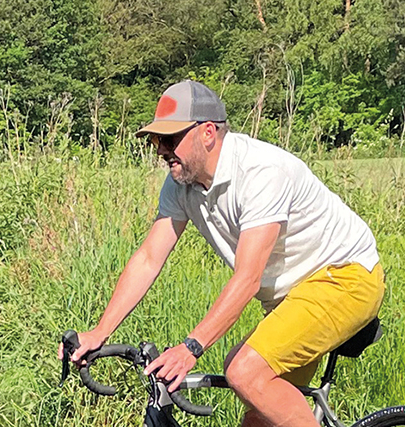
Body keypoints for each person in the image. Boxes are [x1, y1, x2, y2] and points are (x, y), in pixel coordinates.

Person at [64, 80, 386, 427]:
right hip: (290, 298)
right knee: (260, 419)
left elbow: (247, 277)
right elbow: (148, 259)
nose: (160, 150)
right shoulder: (180, 184)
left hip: (344, 277)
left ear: (207, 132)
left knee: (243, 370)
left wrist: (190, 348)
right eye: (156, 140)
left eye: (169, 139)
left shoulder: (261, 172)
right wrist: (100, 331)